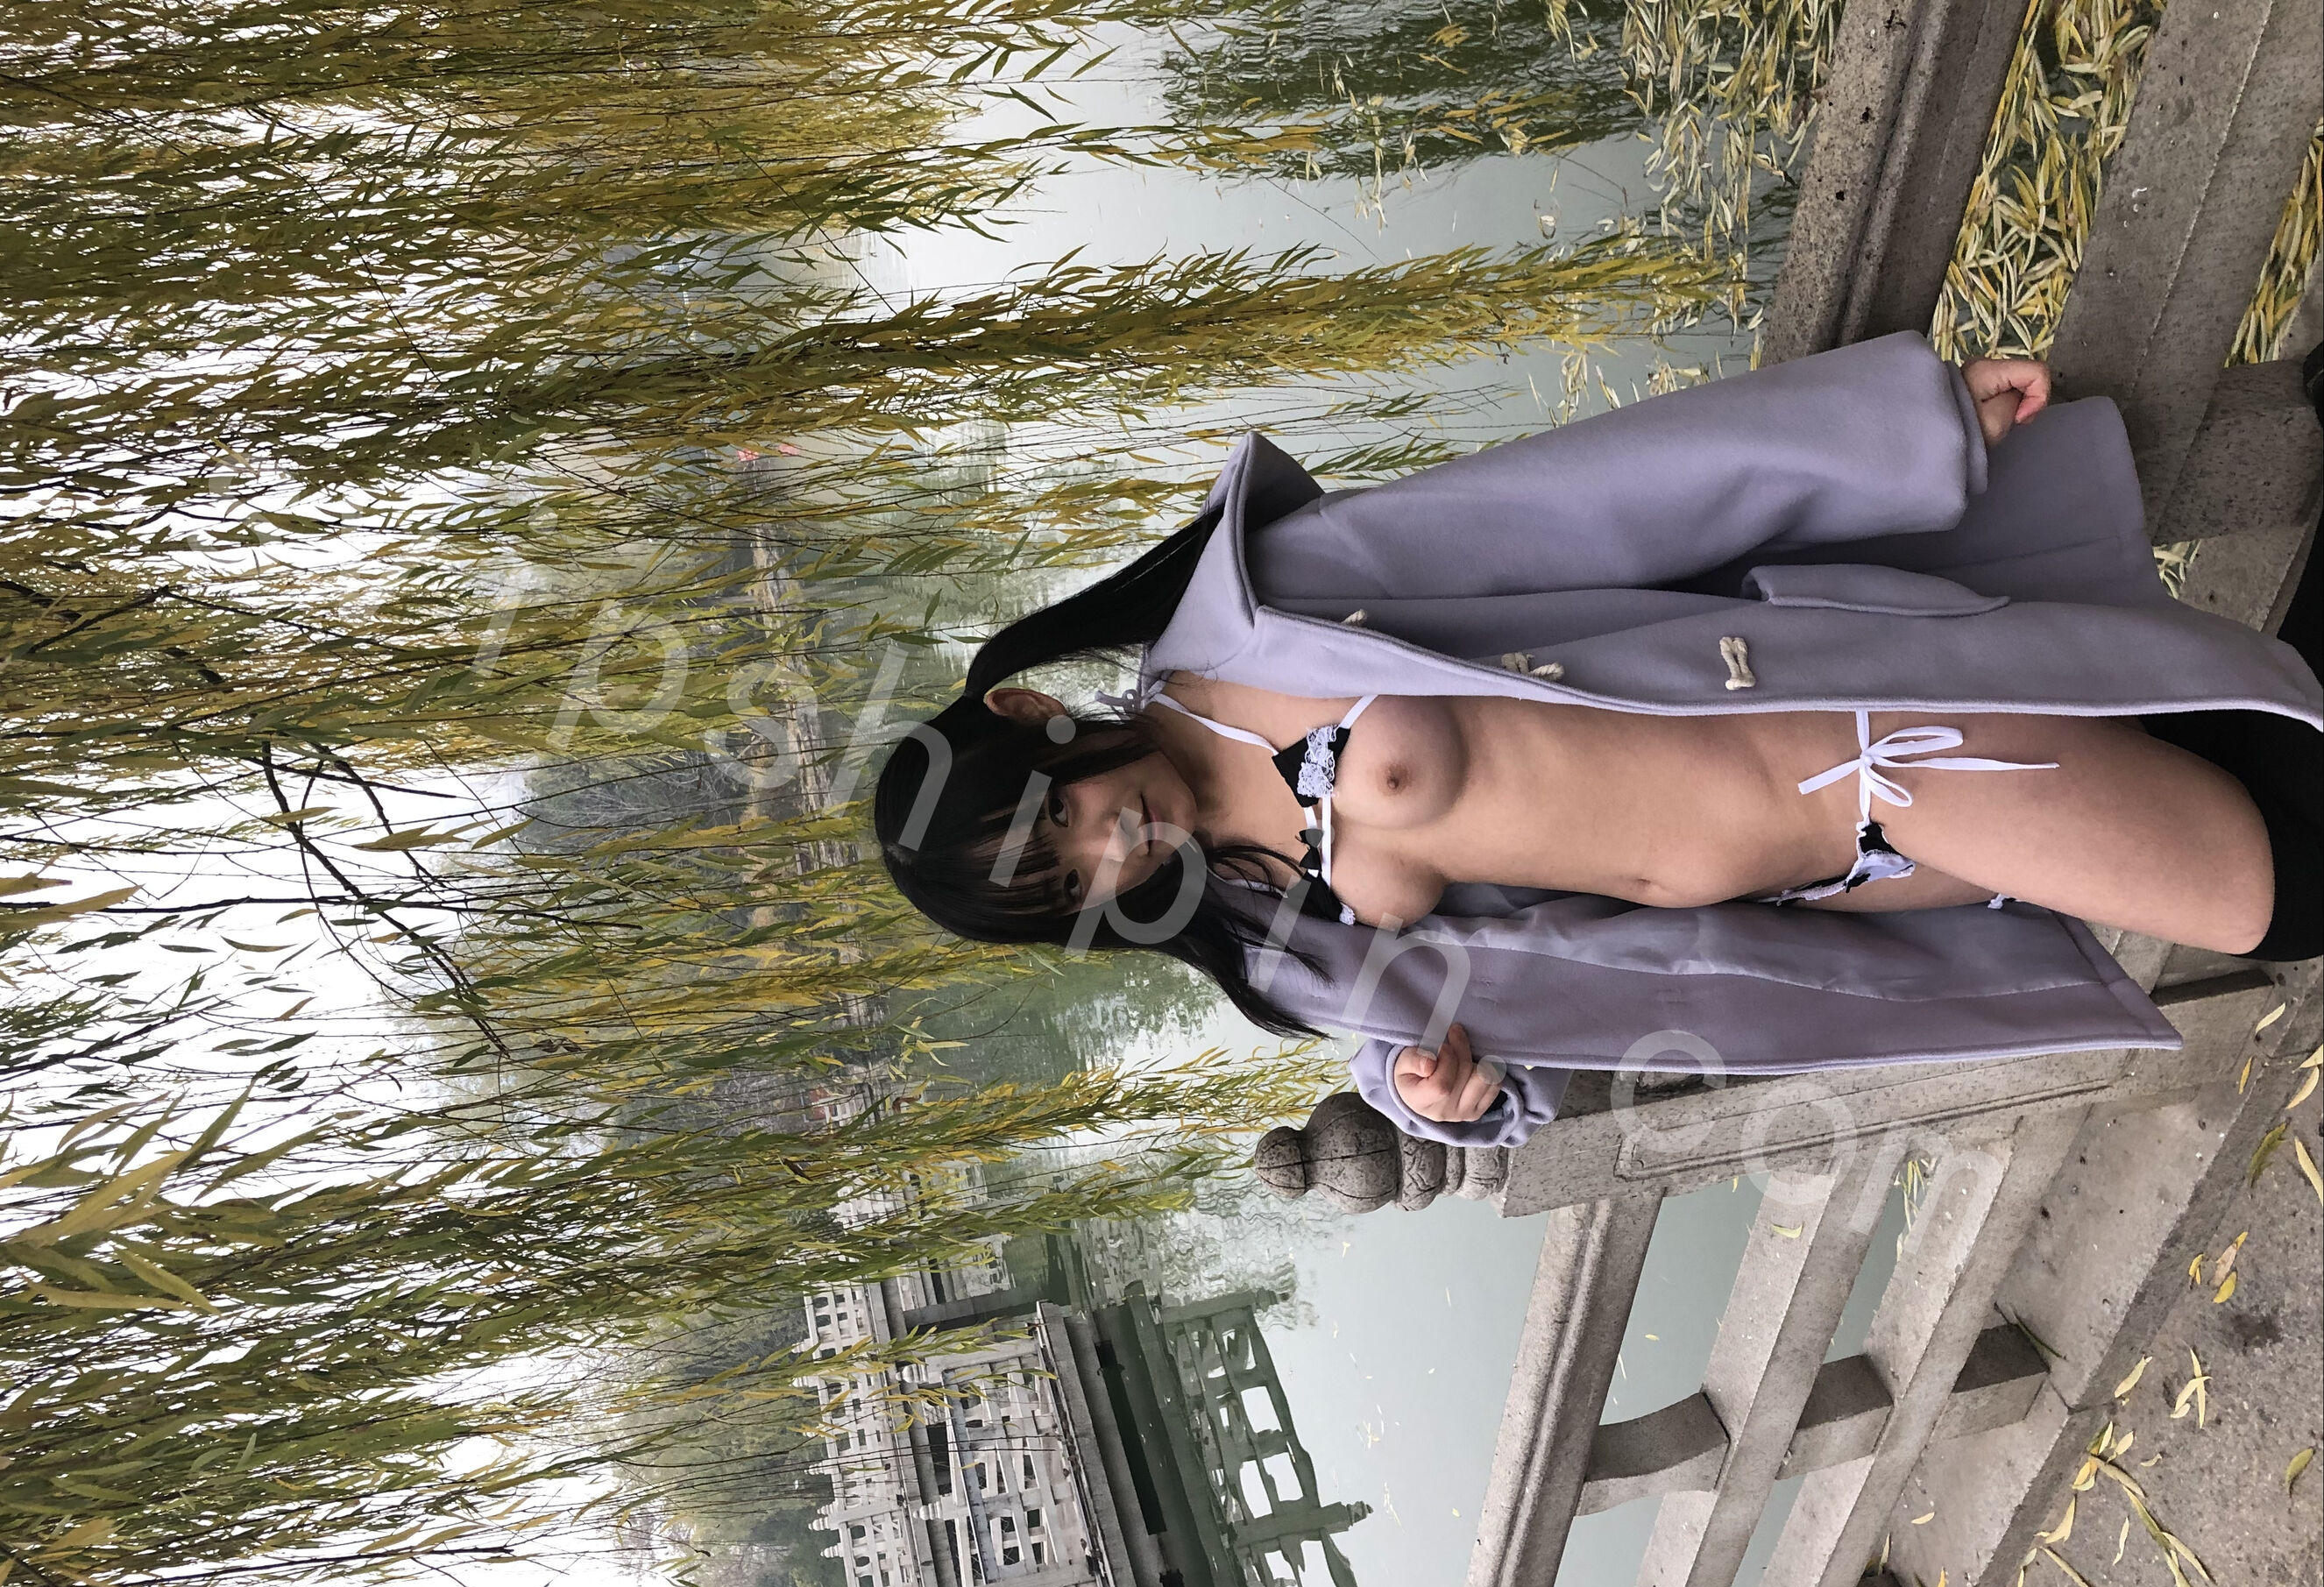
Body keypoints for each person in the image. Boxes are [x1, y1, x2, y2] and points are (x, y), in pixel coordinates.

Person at [875, 331, 2323, 1144]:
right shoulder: (1259, 925)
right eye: (1068, 881)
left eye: (1056, 814)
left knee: (2285, 883)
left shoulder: (1261, 627)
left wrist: (1901, 434)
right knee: (2262, 782)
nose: (1107, 844)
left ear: (1028, 715)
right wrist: (1440, 1098)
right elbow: (1438, 1016)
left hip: (1869, 738)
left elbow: (1585, 501)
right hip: (1853, 879)